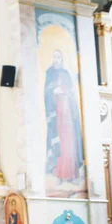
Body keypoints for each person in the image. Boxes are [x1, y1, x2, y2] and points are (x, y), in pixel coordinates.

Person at [44, 49, 83, 182]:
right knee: (58, 143)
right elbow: (46, 92)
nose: (56, 60)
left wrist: (64, 91)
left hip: (67, 114)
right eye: (54, 57)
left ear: (62, 59)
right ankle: (60, 174)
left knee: (69, 142)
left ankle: (71, 174)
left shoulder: (66, 74)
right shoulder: (49, 73)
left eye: (58, 57)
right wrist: (53, 90)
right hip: (56, 114)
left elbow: (71, 91)